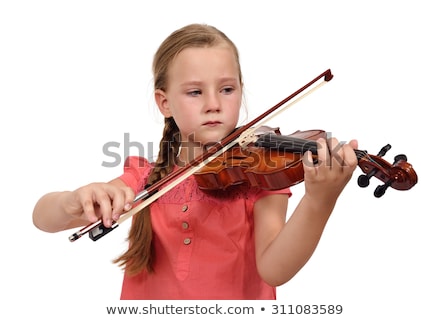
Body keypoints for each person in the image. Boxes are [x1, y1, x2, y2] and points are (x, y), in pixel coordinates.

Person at [32, 23, 358, 300]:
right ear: (165, 103)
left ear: (241, 93)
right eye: (195, 92)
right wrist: (74, 201)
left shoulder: (257, 178)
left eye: (227, 89)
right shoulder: (146, 176)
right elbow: (43, 218)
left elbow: (274, 270)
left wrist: (318, 202)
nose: (214, 104)